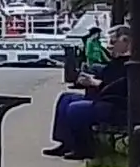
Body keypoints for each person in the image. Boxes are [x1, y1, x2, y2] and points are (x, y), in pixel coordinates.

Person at [46, 26, 132, 159]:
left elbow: (121, 86)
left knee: (76, 109)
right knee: (66, 98)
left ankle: (84, 148)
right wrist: (89, 80)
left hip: (118, 106)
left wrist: (97, 83)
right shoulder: (117, 61)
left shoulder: (130, 63)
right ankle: (67, 143)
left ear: (125, 41)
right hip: (106, 99)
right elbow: (109, 76)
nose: (109, 46)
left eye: (113, 42)